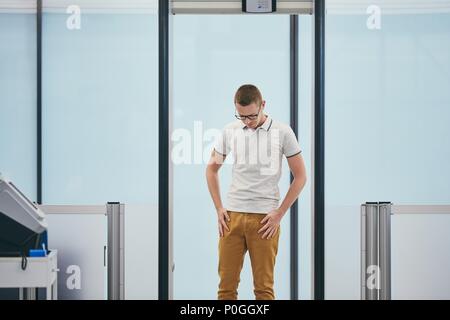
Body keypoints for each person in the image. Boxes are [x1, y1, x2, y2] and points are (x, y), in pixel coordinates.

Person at [205, 84, 307, 300]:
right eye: (242, 117)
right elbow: (212, 169)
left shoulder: (283, 132)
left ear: (263, 105)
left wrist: (279, 213)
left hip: (264, 221)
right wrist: (219, 208)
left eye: (251, 116)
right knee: (225, 289)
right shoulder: (231, 130)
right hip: (231, 218)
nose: (247, 122)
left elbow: (301, 177)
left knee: (263, 290)